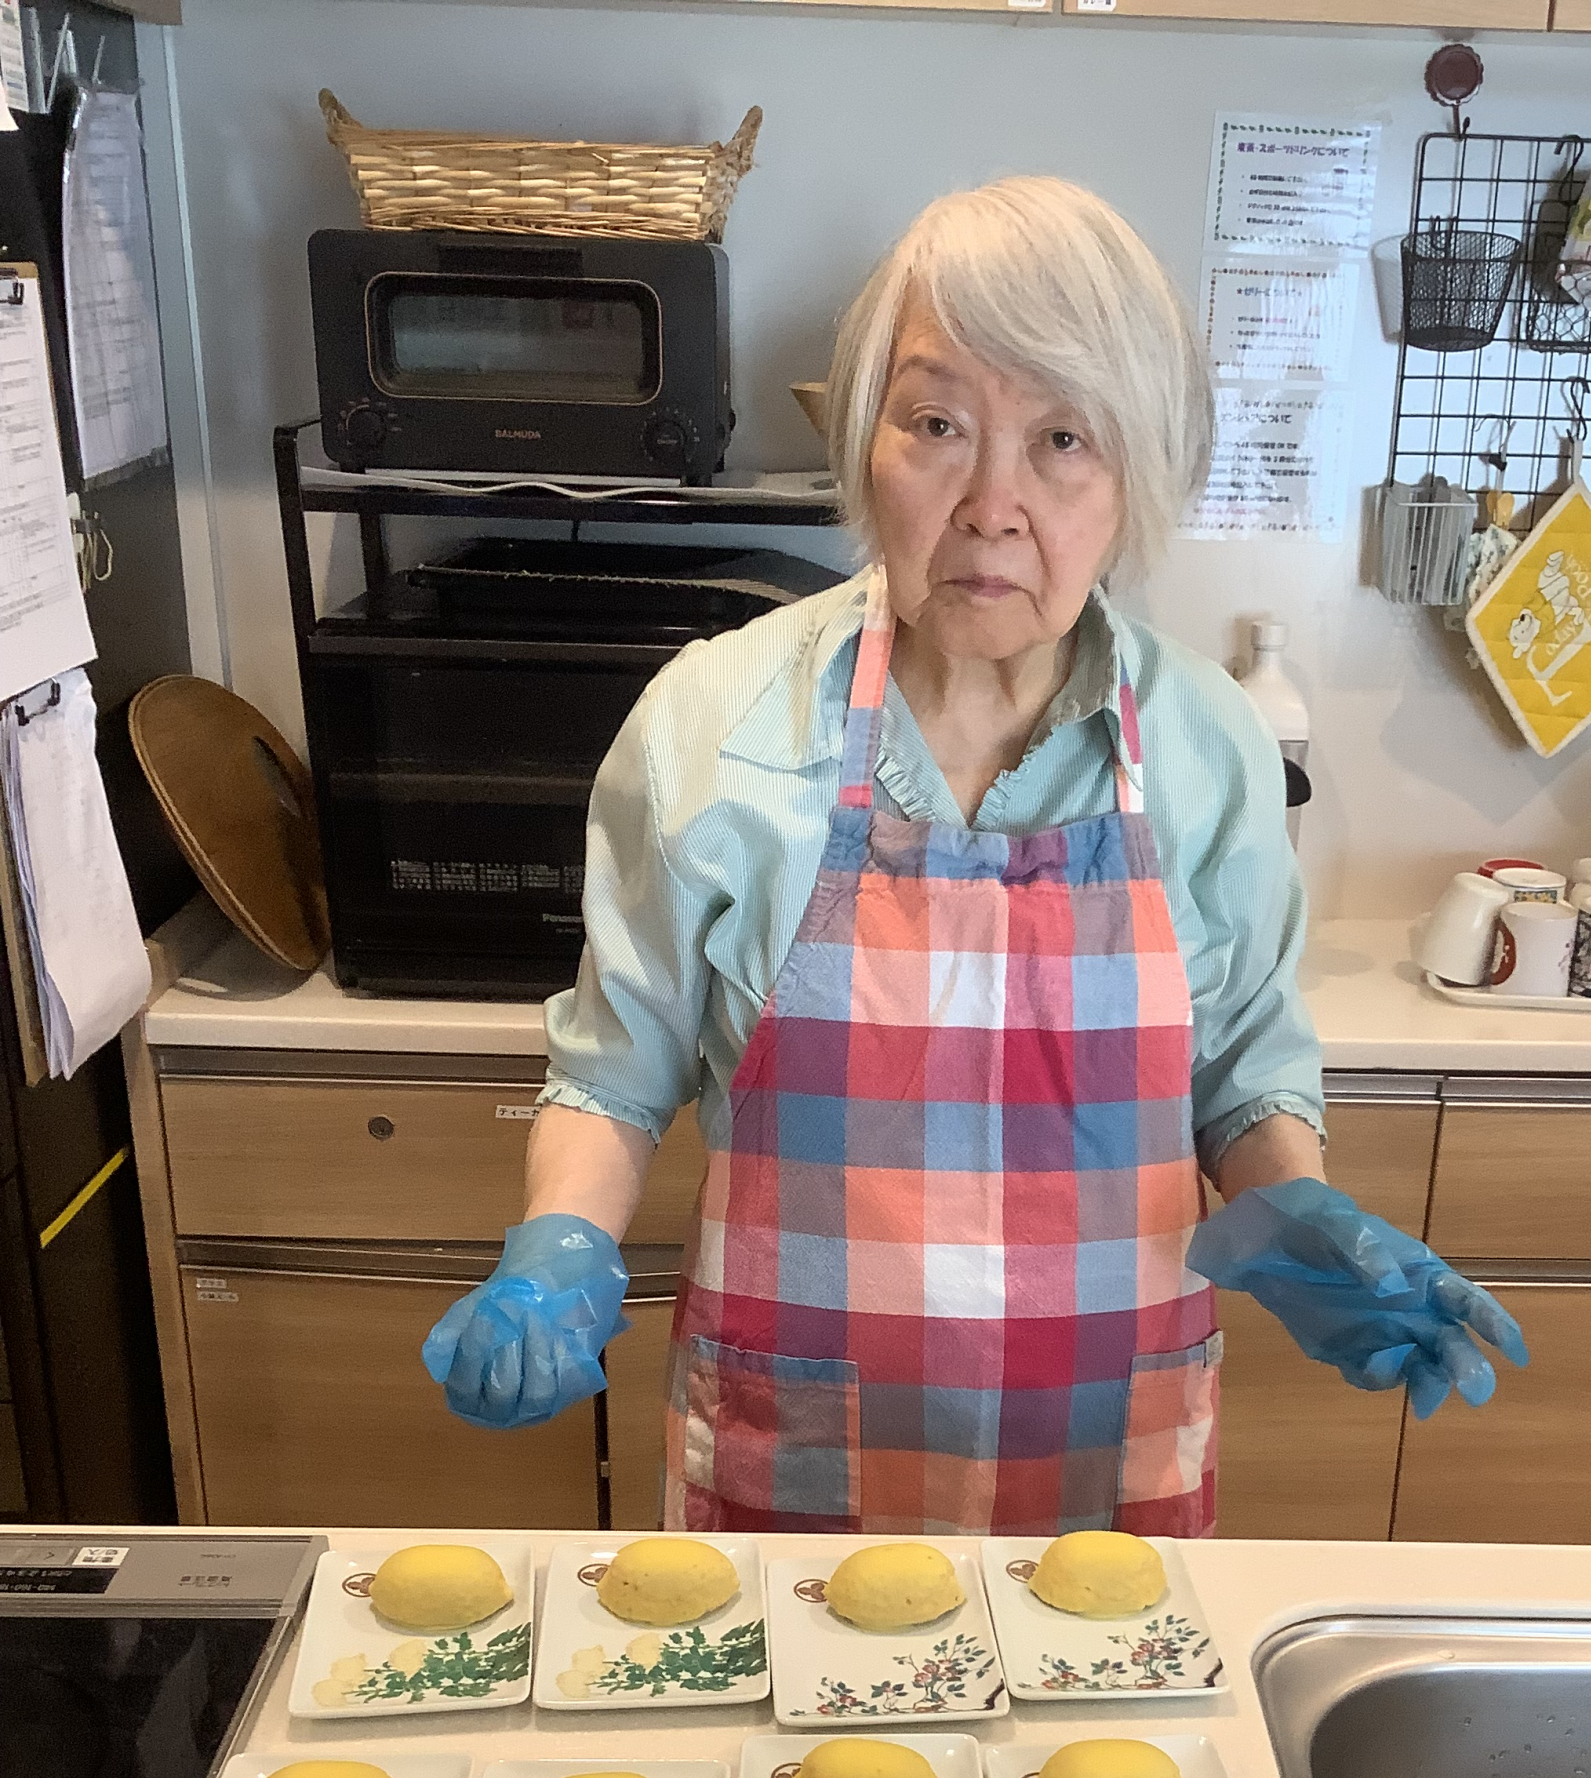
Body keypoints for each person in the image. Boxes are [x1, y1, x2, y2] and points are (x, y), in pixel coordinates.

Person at [424, 178, 1523, 1534]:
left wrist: (1301, 1210)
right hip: (791, 1469)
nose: (994, 505)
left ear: (1135, 475)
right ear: (865, 441)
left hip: (1110, 1465)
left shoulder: (1204, 744)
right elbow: (614, 1072)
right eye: (938, 424)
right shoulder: (716, 724)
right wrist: (560, 1250)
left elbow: (1241, 1068)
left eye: (1064, 439)